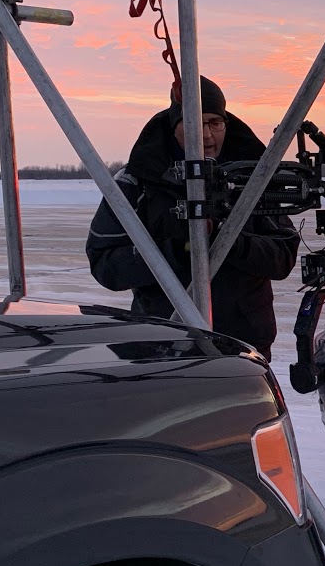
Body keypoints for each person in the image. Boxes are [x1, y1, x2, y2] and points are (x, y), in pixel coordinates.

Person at [86, 76, 299, 357]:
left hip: (241, 348)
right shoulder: (137, 181)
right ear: (174, 126)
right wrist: (177, 249)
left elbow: (282, 257)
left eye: (215, 123)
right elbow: (106, 264)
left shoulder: (254, 177)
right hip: (159, 344)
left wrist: (228, 241)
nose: (207, 136)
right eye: (194, 124)